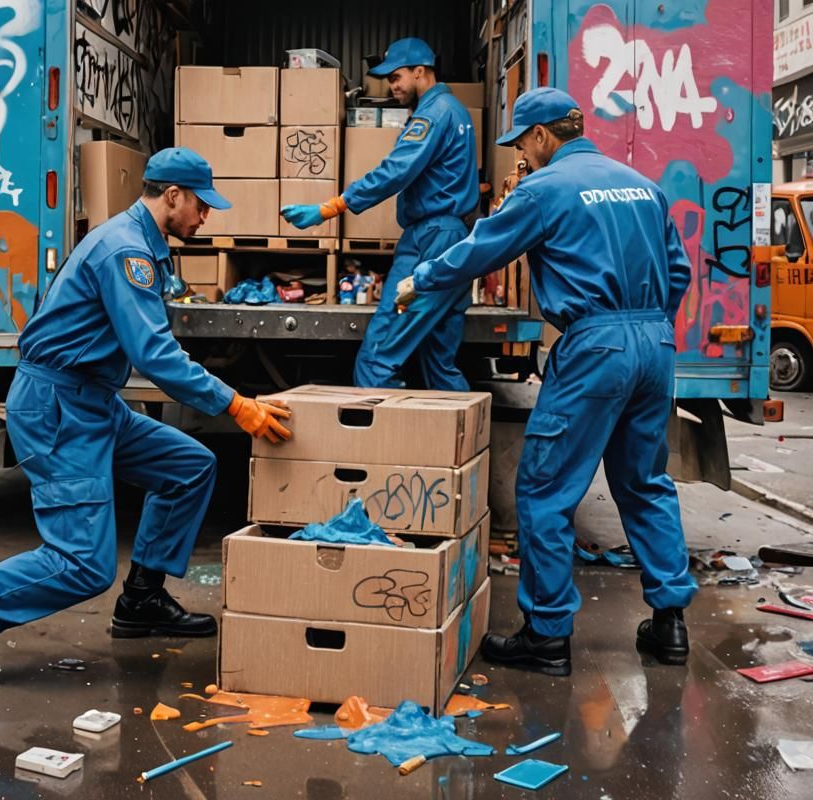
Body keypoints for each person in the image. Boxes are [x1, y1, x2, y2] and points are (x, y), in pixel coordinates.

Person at [0, 148, 291, 691]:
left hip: (93, 403)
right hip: (58, 408)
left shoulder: (143, 245)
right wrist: (235, 403)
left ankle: (143, 599)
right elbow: (154, 355)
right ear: (172, 196)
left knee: (190, 466)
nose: (206, 216)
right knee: (84, 564)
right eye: (201, 205)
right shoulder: (124, 250)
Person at [395, 87, 697, 676]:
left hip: (595, 346)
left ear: (540, 137)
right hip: (655, 342)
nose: (522, 157)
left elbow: (480, 250)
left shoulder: (544, 188)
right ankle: (670, 625)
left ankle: (548, 637)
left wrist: (420, 280)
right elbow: (678, 271)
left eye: (522, 145)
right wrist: (647, 323)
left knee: (544, 490)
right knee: (644, 483)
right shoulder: (643, 185)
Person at [281, 37, 479, 390]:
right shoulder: (456, 111)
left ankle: (381, 443)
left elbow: (395, 172)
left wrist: (330, 208)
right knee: (440, 366)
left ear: (421, 72)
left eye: (397, 77)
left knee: (377, 359)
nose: (392, 86)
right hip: (455, 244)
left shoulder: (432, 115)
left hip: (430, 247)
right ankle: (465, 443)